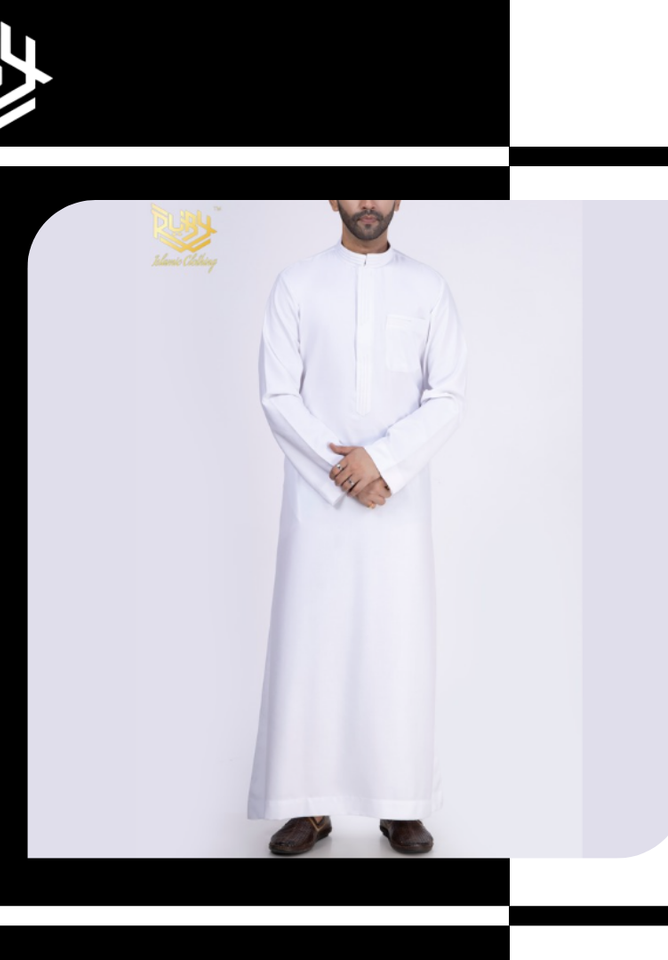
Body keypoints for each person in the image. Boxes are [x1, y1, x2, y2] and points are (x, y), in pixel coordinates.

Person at [247, 200, 468, 855]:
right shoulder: (297, 284)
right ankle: (307, 806)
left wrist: (385, 463)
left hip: (397, 505)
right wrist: (344, 469)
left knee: (396, 649)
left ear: (399, 199)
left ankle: (400, 805)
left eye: (380, 191)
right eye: (355, 190)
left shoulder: (428, 289)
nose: (367, 203)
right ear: (333, 198)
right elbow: (278, 394)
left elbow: (447, 395)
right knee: (310, 650)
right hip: (318, 505)